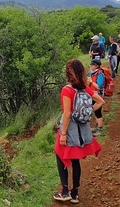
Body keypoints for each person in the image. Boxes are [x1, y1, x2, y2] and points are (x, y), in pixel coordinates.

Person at [54, 59, 103, 203]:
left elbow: (67, 114)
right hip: (82, 128)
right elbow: (101, 102)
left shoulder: (67, 90)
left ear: (69, 73)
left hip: (69, 128)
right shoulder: (84, 88)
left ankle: (64, 191)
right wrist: (87, 113)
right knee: (75, 161)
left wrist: (63, 134)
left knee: (60, 154)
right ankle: (74, 193)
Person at [88, 59, 106, 136]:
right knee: (95, 111)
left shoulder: (100, 74)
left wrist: (91, 81)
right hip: (93, 95)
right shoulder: (92, 73)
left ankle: (100, 129)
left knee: (98, 112)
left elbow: (99, 86)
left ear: (96, 65)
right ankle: (97, 126)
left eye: (92, 65)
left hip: (98, 95)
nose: (90, 66)